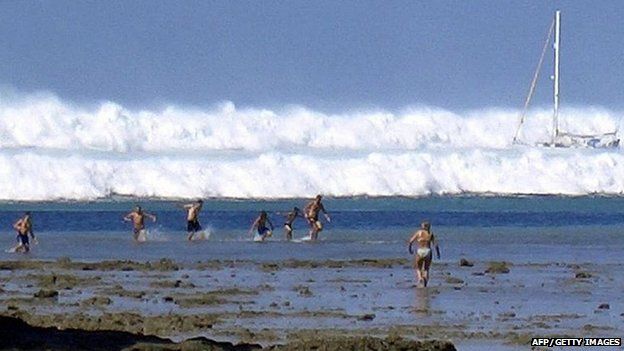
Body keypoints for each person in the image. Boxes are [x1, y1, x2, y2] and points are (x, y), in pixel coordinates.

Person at [407, 221, 441, 287]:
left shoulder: (419, 233)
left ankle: (420, 278)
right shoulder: (430, 234)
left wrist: (410, 249)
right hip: (428, 251)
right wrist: (438, 253)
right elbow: (435, 245)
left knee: (418, 267)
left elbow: (410, 241)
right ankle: (425, 283)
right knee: (426, 268)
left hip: (420, 250)